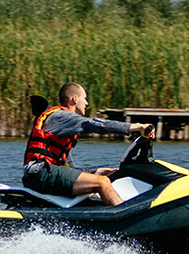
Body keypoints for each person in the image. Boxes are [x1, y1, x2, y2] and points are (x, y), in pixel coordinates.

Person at [23, 82, 153, 206]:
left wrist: (99, 171)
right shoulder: (61, 117)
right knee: (102, 182)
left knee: (103, 178)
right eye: (84, 99)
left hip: (43, 174)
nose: (87, 103)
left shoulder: (63, 132)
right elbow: (94, 124)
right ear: (75, 99)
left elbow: (70, 169)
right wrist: (136, 127)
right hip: (41, 173)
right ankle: (124, 215)